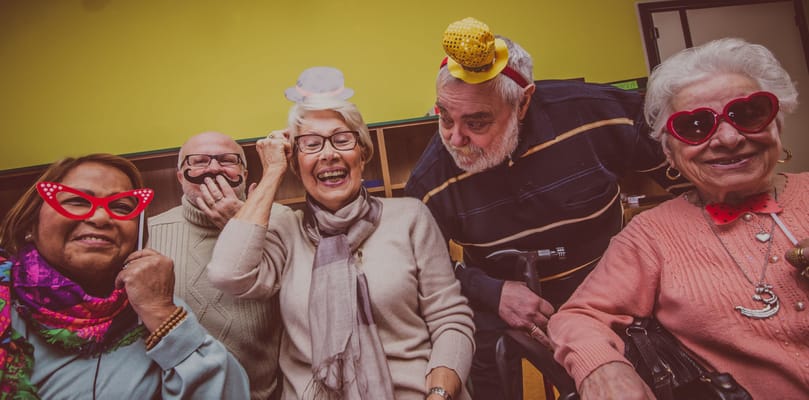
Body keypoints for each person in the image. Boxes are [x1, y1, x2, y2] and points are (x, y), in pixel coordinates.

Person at [404, 17, 689, 398]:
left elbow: (687, 176)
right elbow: (422, 268)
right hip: (500, 300)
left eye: (476, 121)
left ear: (522, 102)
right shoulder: (430, 178)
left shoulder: (596, 112)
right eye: (444, 115)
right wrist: (491, 291)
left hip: (612, 293)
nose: (455, 138)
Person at [548, 38, 808, 400]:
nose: (730, 138)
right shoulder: (652, 234)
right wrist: (602, 367)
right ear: (669, 152)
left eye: (748, 114)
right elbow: (577, 317)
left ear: (776, 124)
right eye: (696, 126)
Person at [207, 94, 475, 400]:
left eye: (342, 139)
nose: (329, 154)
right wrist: (271, 172)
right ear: (295, 165)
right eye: (311, 144)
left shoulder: (410, 216)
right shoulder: (285, 230)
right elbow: (228, 274)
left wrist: (439, 394)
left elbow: (450, 318)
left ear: (362, 154)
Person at [0, 153, 248, 398]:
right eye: (76, 201)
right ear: (30, 224)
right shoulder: (5, 301)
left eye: (121, 207)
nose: (99, 218)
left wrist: (162, 314)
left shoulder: (154, 312)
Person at [147, 131, 281, 399]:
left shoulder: (282, 223)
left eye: (227, 160)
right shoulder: (148, 234)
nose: (213, 168)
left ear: (244, 173)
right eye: (198, 161)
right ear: (180, 176)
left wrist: (242, 227)